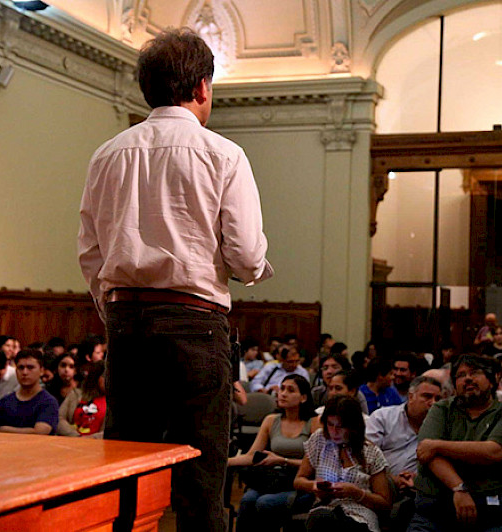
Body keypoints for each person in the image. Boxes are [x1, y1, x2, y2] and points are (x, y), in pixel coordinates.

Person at [77, 28, 273, 532]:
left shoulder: (107, 154)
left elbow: (91, 253)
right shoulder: (223, 154)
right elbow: (248, 254)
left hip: (126, 324)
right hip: (195, 324)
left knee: (125, 473)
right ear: (203, 87)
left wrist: (117, 308)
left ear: (148, 88)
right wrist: (246, 272)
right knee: (201, 482)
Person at [408, 354, 502, 532]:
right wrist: (459, 489)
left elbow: (493, 452)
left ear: (492, 380)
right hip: (437, 509)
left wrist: (438, 445)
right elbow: (427, 455)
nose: (467, 378)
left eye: (475, 373)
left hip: (496, 511)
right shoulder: (442, 409)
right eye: (460, 375)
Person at [228, 375, 319, 532]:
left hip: (301, 483)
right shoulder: (271, 420)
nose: (282, 393)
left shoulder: (314, 422)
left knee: (265, 503)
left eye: (290, 390)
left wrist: (283, 460)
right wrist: (224, 461)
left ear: (303, 398)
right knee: (247, 500)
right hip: (273, 480)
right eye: (282, 388)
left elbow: (317, 465)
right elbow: (251, 456)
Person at [294, 395, 392, 532]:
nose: (334, 431)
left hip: (359, 515)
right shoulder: (319, 440)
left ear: (353, 427)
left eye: (341, 426)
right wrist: (314, 486)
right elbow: (298, 480)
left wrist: (357, 493)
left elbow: (385, 504)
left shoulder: (371, 452)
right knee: (322, 518)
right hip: (325, 509)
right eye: (330, 424)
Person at [366, 376, 442, 490]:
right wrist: (391, 479)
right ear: (411, 397)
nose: (433, 403)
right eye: (427, 396)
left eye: (438, 399)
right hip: (376, 485)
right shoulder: (382, 417)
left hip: (416, 490)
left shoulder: (440, 428)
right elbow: (366, 458)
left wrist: (417, 478)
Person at [0, 349, 59, 435]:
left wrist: (3, 429)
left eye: (30, 367)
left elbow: (39, 432)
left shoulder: (48, 402)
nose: (24, 372)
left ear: (41, 371)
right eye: (21, 368)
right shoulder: (5, 401)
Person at [58, 360, 106, 438]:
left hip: (99, 445)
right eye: (106, 376)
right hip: (71, 441)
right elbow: (59, 418)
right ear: (96, 376)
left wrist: (89, 439)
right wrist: (76, 436)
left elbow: (113, 430)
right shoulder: (76, 394)